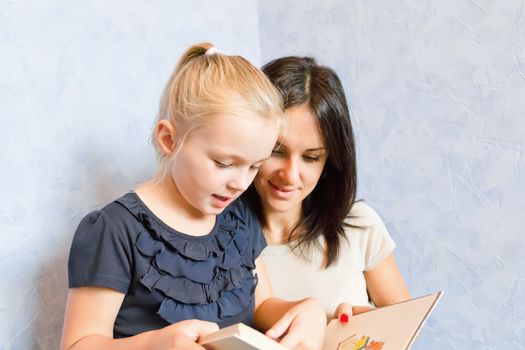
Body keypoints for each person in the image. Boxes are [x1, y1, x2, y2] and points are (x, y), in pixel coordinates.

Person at [61, 44, 326, 350]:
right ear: (169, 140)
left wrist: (307, 309)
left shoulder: (238, 220)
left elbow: (263, 304)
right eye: (224, 164)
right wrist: (151, 345)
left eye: (254, 166)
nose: (240, 183)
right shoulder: (114, 229)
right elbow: (78, 344)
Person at [243, 56, 411, 324]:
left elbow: (405, 328)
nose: (289, 175)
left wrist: (367, 334)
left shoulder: (358, 225)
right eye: (276, 151)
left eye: (311, 158)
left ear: (330, 161)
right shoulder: (223, 243)